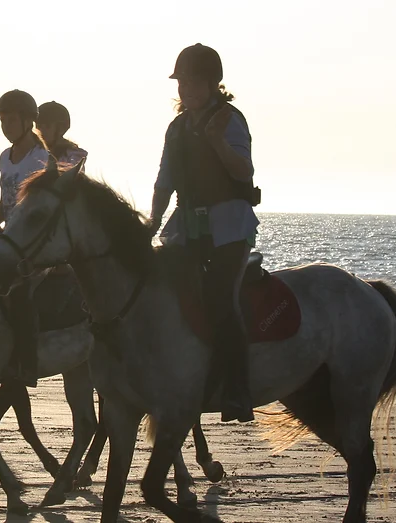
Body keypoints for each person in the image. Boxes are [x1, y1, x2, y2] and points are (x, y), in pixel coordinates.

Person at [148, 44, 260, 423]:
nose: (186, 88)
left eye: (194, 81)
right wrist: (151, 220)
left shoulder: (230, 119)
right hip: (187, 225)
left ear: (213, 82)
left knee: (218, 295)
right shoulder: (176, 128)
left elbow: (243, 172)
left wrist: (216, 142)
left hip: (230, 225)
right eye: (182, 81)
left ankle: (238, 389)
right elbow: (164, 180)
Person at [0, 89, 51, 387]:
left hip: (31, 243)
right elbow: (4, 202)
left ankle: (26, 364)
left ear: (28, 121)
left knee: (21, 292)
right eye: (2, 120)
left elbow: (36, 208)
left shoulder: (40, 158)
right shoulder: (5, 157)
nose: (5, 125)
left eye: (10, 120)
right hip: (9, 239)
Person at [37, 101, 88, 166]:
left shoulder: (72, 156)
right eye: (39, 126)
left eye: (47, 126)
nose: (41, 130)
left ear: (61, 129)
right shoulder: (31, 153)